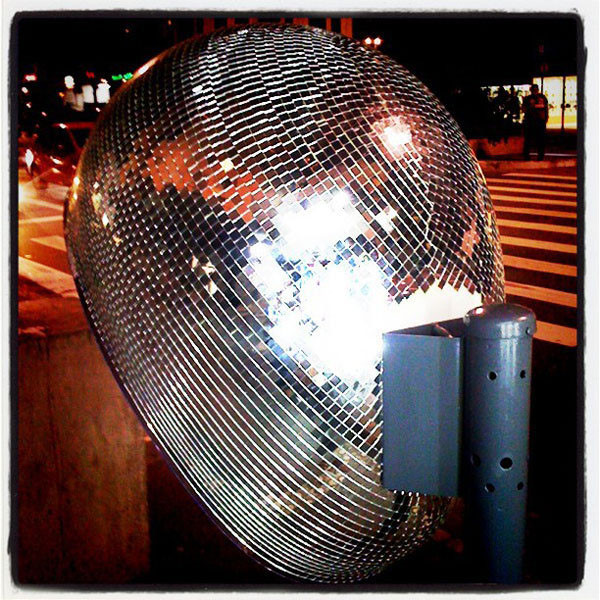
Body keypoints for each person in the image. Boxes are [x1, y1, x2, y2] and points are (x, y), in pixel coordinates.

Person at [522, 84, 549, 160]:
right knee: (529, 139)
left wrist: (546, 117)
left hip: (539, 121)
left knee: (540, 139)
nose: (535, 91)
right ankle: (527, 155)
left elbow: (546, 107)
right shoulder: (528, 98)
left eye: (535, 90)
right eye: (534, 90)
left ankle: (540, 155)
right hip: (531, 121)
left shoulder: (542, 97)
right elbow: (524, 109)